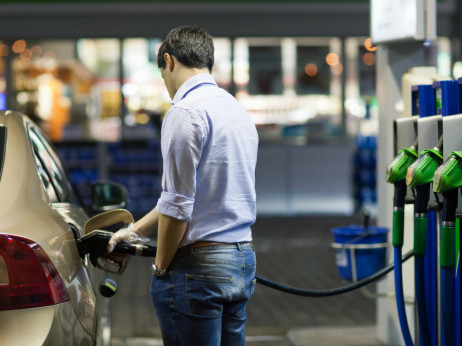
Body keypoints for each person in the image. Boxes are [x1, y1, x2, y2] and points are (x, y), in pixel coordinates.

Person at [107, 25, 259, 345]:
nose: (166, 85)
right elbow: (190, 197)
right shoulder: (236, 110)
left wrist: (162, 267)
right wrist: (134, 232)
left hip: (197, 269)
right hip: (241, 260)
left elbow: (178, 206)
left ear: (169, 61)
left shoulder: (185, 111)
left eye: (162, 75)